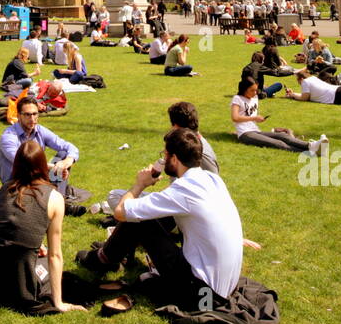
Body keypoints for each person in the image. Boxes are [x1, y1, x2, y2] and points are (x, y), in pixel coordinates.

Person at [76, 128, 245, 309]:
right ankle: (110, 256)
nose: (163, 160)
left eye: (165, 155)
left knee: (140, 221)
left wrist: (139, 184)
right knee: (151, 215)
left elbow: (120, 212)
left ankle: (102, 260)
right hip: (226, 287)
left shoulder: (184, 189)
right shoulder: (212, 179)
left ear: (174, 158)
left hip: (204, 296)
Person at [0, 139, 86, 316]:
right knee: (53, 270)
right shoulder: (54, 198)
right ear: (43, 165)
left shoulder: (1, 190)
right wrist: (59, 302)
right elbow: (55, 255)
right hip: (20, 280)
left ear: (16, 164)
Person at [0, 97, 81, 208]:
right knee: (56, 169)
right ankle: (58, 202)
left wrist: (66, 162)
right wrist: (53, 168)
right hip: (15, 182)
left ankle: (58, 199)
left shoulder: (40, 130)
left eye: (35, 114)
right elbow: (25, 162)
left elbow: (68, 146)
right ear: (18, 116)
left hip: (37, 177)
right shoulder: (8, 137)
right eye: (27, 114)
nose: (32, 118)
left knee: (64, 154)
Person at [231, 77, 325, 153]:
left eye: (256, 90)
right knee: (277, 143)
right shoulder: (238, 99)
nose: (255, 93)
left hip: (256, 131)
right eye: (252, 90)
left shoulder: (255, 98)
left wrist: (258, 119)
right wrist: (254, 117)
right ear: (244, 89)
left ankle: (311, 145)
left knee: (283, 136)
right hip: (245, 134)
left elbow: (249, 115)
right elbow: (235, 118)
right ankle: (310, 151)